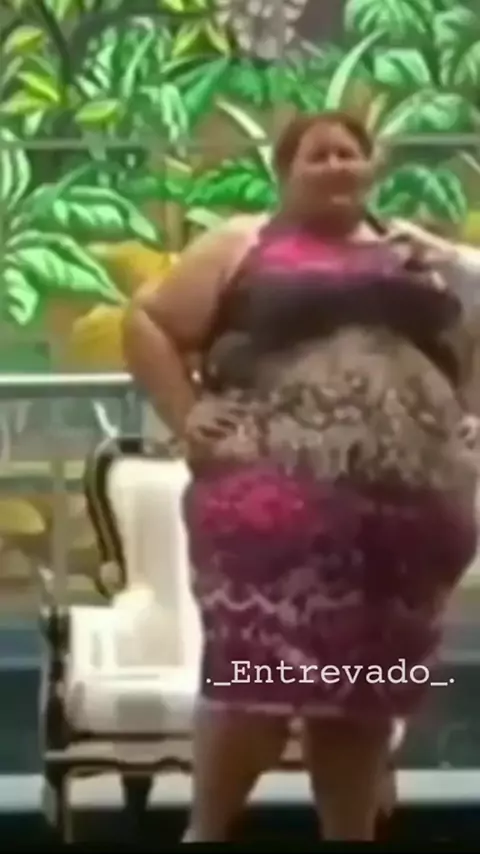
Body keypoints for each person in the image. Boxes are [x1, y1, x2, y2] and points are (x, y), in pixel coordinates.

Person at [123, 111, 480, 841]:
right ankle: (206, 833)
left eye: (350, 153)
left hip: (403, 538)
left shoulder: (422, 256)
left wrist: (472, 413)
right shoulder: (242, 244)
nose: (337, 166)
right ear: (284, 172)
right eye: (318, 155)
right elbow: (148, 323)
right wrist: (189, 416)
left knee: (362, 704)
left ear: (373, 167)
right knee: (253, 692)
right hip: (270, 519)